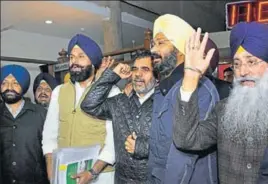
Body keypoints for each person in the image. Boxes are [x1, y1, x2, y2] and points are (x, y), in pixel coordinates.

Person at [173, 22, 268, 184]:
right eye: (237, 64)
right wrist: (190, 77)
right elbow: (186, 140)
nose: (243, 72)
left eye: (251, 61)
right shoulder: (223, 110)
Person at [148, 14, 219, 184]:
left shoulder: (201, 89)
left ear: (181, 50)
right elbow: (158, 148)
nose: (152, 50)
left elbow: (183, 156)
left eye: (160, 43)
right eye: (153, 44)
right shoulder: (162, 88)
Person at [42, 34, 118, 184]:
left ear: (94, 63)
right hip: (65, 173)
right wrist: (51, 169)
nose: (74, 62)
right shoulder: (59, 91)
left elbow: (113, 141)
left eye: (81, 56)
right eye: (71, 57)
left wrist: (92, 172)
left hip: (100, 175)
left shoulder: (111, 92)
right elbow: (50, 133)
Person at [81, 50, 156, 184]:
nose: (138, 74)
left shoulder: (164, 102)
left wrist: (141, 147)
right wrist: (113, 75)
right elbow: (89, 105)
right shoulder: (120, 101)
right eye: (135, 69)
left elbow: (175, 144)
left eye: (145, 69)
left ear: (157, 75)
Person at [0, 64, 49, 184]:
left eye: (15, 83)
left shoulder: (42, 114)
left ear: (24, 86)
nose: (9, 87)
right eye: (4, 83)